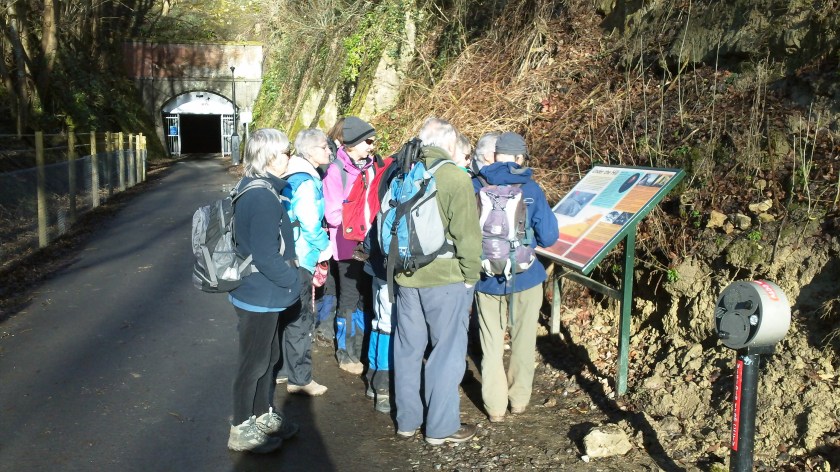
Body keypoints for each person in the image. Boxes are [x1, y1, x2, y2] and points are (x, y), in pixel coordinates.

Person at [392, 118, 483, 445]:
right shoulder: (454, 177)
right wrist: (470, 277)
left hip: (404, 275)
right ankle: (441, 428)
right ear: (449, 145)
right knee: (446, 352)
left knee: (407, 350)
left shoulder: (402, 171)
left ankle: (407, 420)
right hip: (444, 278)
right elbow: (468, 238)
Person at [472, 131, 559, 423]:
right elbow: (549, 237)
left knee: (491, 344)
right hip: (526, 277)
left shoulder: (475, 184)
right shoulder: (531, 188)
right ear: (520, 158)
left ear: (494, 155)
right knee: (523, 341)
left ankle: (495, 407)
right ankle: (519, 400)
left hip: (486, 278)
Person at [227, 128, 301, 453]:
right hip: (259, 295)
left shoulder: (258, 188)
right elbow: (265, 255)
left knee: (267, 357)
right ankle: (241, 428)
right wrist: (294, 280)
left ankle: (261, 415)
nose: (290, 157)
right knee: (253, 363)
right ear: (271, 157)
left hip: (261, 294)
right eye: (287, 152)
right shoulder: (262, 196)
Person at [274, 128, 333, 396]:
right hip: (301, 257)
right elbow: (310, 224)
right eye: (324, 147)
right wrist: (325, 247)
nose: (329, 151)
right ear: (310, 152)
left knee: (284, 315)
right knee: (300, 319)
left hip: (284, 255)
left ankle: (283, 371)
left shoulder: (289, 176)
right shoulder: (308, 182)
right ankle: (300, 379)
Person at [322, 116, 378, 374]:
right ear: (352, 143)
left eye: (372, 141)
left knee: (366, 297)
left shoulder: (371, 167)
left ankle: (362, 349)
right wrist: (358, 215)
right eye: (367, 141)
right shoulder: (336, 171)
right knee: (349, 298)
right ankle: (346, 353)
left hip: (369, 243)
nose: (372, 145)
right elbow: (332, 214)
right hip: (346, 245)